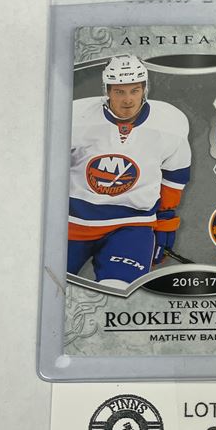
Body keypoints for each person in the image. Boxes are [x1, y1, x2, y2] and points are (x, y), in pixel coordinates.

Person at [68, 54, 191, 289]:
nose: (128, 100)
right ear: (107, 91)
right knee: (47, 287)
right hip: (73, 222)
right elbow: (49, 171)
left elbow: (175, 174)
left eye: (135, 91)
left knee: (119, 291)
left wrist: (165, 221)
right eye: (119, 92)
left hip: (132, 224)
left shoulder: (170, 123)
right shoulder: (75, 117)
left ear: (145, 89)